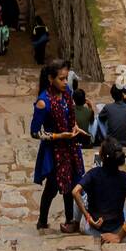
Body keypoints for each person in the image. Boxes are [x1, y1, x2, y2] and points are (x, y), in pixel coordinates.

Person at [31, 60, 87, 232]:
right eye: (61, 79)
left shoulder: (67, 93)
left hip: (70, 146)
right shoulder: (43, 102)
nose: (65, 82)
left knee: (71, 184)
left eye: (65, 78)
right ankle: (42, 220)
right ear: (50, 79)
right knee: (53, 187)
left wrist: (75, 127)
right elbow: (35, 132)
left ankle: (70, 219)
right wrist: (57, 135)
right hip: (54, 150)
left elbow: (70, 114)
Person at [73, 138, 126, 239]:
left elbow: (75, 192)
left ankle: (76, 224)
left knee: (81, 196)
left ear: (102, 157)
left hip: (93, 229)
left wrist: (88, 217)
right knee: (124, 201)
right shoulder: (125, 176)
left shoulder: (93, 173)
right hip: (117, 229)